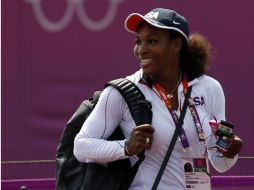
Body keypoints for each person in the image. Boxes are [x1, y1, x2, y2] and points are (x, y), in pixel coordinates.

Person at [74, 8, 243, 189]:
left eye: (152, 41)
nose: (141, 50)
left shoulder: (210, 88)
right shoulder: (122, 92)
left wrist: (230, 151)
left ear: (176, 44)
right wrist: (125, 147)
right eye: (138, 41)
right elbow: (81, 146)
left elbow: (220, 163)